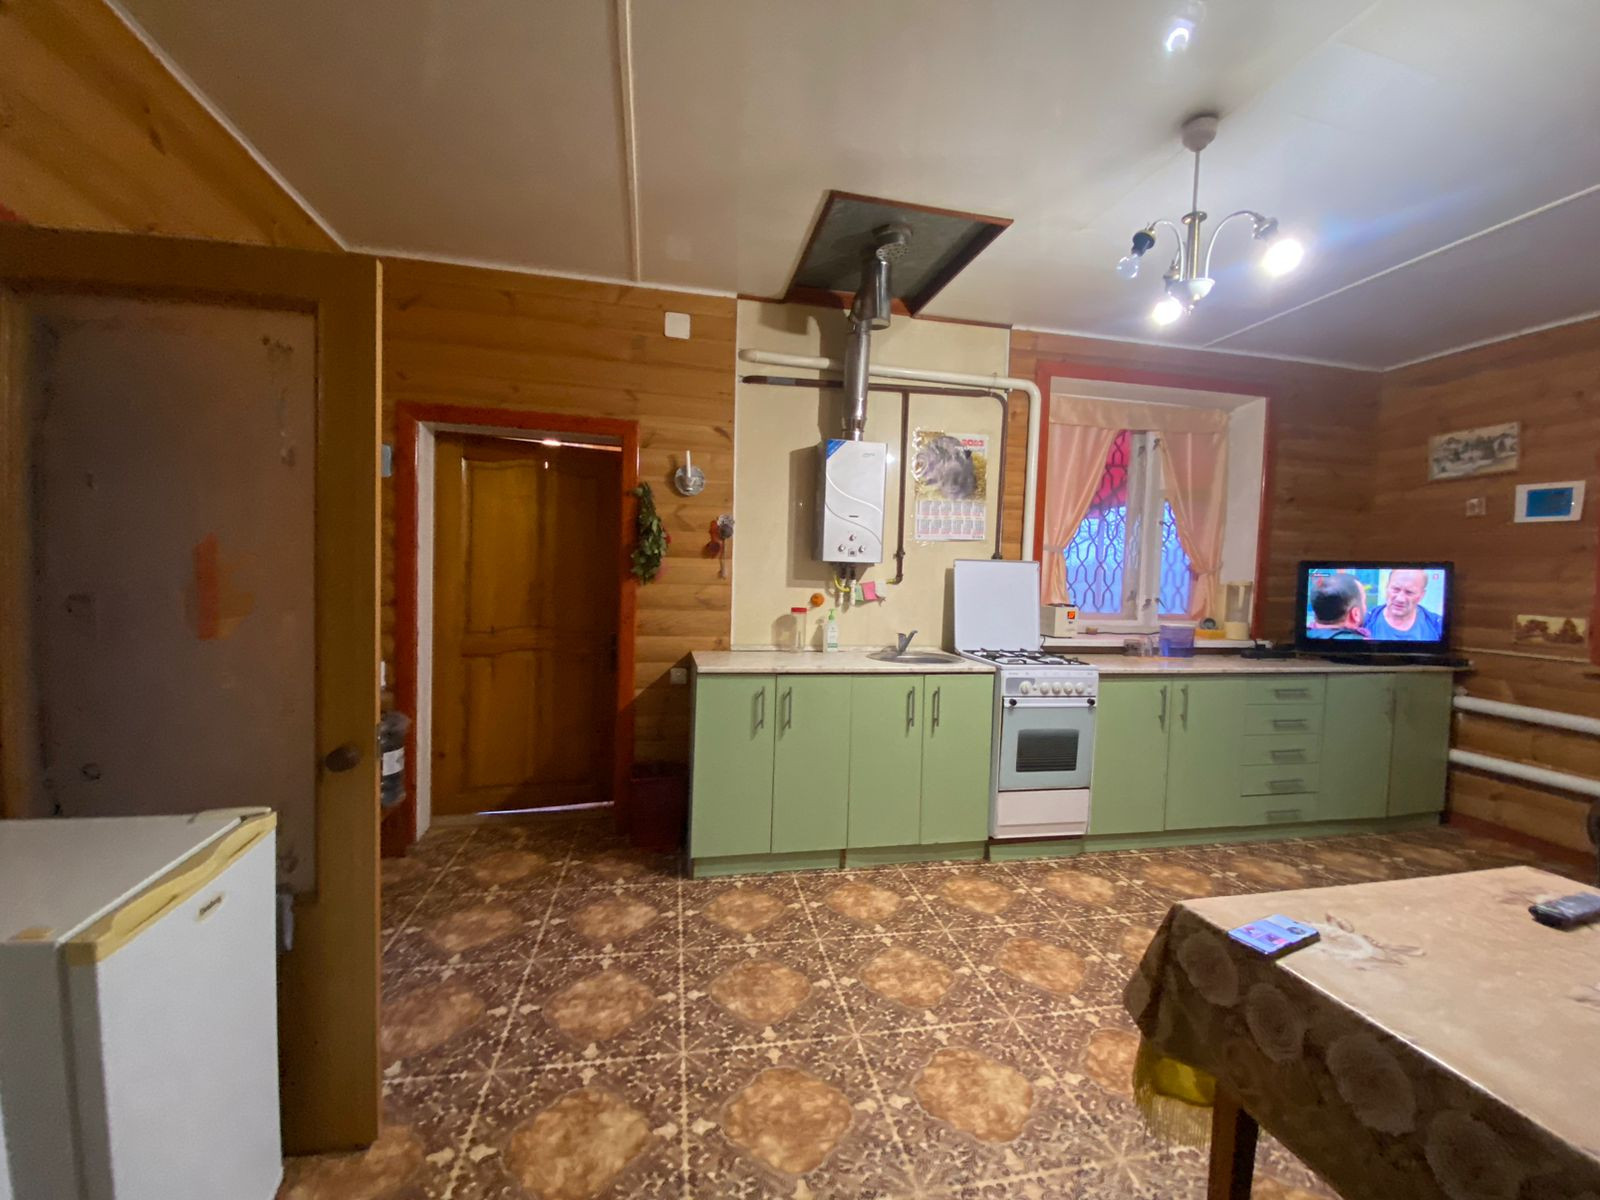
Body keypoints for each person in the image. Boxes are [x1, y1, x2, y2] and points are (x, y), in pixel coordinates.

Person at [1365, 568, 1444, 641]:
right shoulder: (1364, 621)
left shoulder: (1438, 626)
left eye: (1409, 592)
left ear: (1421, 595)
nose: (1400, 599)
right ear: (1387, 587)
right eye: (1396, 589)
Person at [1304, 573, 1369, 640]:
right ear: (1355, 614)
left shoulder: (1302, 636)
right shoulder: (1364, 643)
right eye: (1364, 602)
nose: (1365, 608)